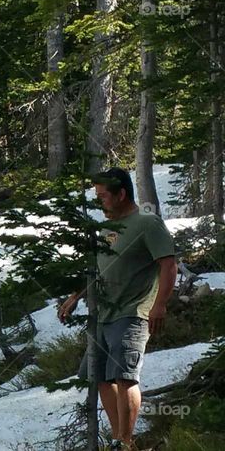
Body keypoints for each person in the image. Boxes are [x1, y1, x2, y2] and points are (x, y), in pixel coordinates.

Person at [58, 167, 178, 451]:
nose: (99, 201)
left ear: (121, 194)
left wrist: (160, 304)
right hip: (103, 314)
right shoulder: (105, 229)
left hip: (133, 311)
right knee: (99, 376)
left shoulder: (148, 223)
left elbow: (168, 264)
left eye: (103, 196)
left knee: (125, 376)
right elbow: (97, 270)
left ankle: (125, 441)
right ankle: (118, 439)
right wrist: (75, 296)